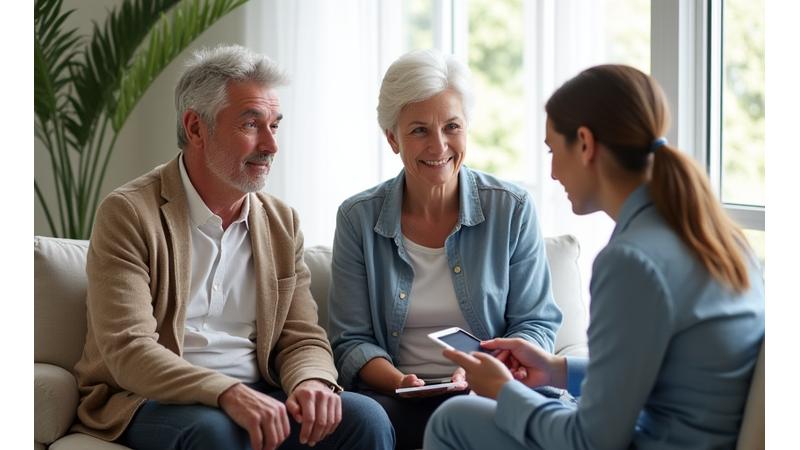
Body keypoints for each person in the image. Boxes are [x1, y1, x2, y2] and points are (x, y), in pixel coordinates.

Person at [424, 64, 765, 450]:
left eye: (553, 150)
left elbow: (590, 441)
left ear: (585, 143)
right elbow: (659, 372)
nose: (553, 173)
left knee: (454, 419)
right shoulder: (719, 237)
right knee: (543, 399)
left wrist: (504, 392)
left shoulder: (633, 262)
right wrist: (556, 370)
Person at [71, 45, 394, 450]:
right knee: (216, 433)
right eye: (251, 124)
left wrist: (311, 382)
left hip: (258, 394)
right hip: (153, 399)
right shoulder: (129, 213)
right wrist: (226, 392)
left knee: (365, 418)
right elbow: (129, 350)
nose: (271, 145)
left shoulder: (281, 222)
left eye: (274, 126)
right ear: (195, 128)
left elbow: (301, 337)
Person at [327, 48, 562, 449]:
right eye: (419, 130)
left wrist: (484, 373)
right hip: (394, 397)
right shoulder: (357, 218)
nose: (438, 146)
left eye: (451, 126)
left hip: (487, 391)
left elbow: (536, 324)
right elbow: (352, 340)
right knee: (363, 419)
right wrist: (401, 381)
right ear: (392, 138)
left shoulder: (512, 208)